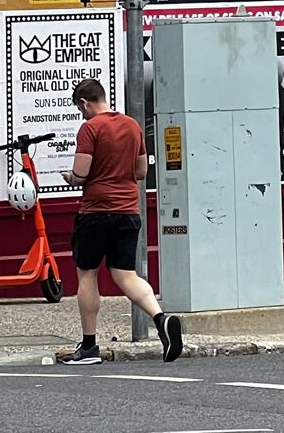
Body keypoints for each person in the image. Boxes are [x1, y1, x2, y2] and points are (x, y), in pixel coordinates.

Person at [56, 77, 181, 365]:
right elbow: (140, 170)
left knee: (87, 274)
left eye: (81, 108)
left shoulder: (90, 128)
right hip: (128, 212)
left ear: (85, 102)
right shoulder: (132, 125)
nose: (82, 114)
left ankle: (88, 347)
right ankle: (160, 318)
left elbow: (82, 172)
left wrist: (72, 177)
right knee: (125, 273)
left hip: (96, 212)